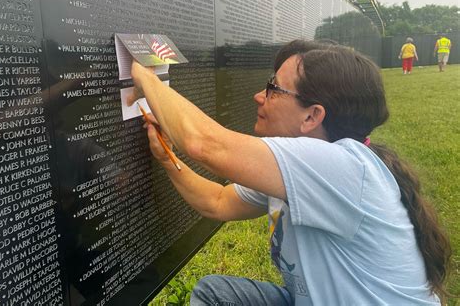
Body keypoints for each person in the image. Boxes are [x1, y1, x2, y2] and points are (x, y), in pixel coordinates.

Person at [129, 40, 451, 305]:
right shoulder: (296, 171)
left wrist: (143, 75)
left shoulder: (343, 167)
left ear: (312, 116)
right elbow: (217, 201)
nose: (259, 96)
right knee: (217, 296)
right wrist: (167, 157)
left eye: (273, 88)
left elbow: (203, 144)